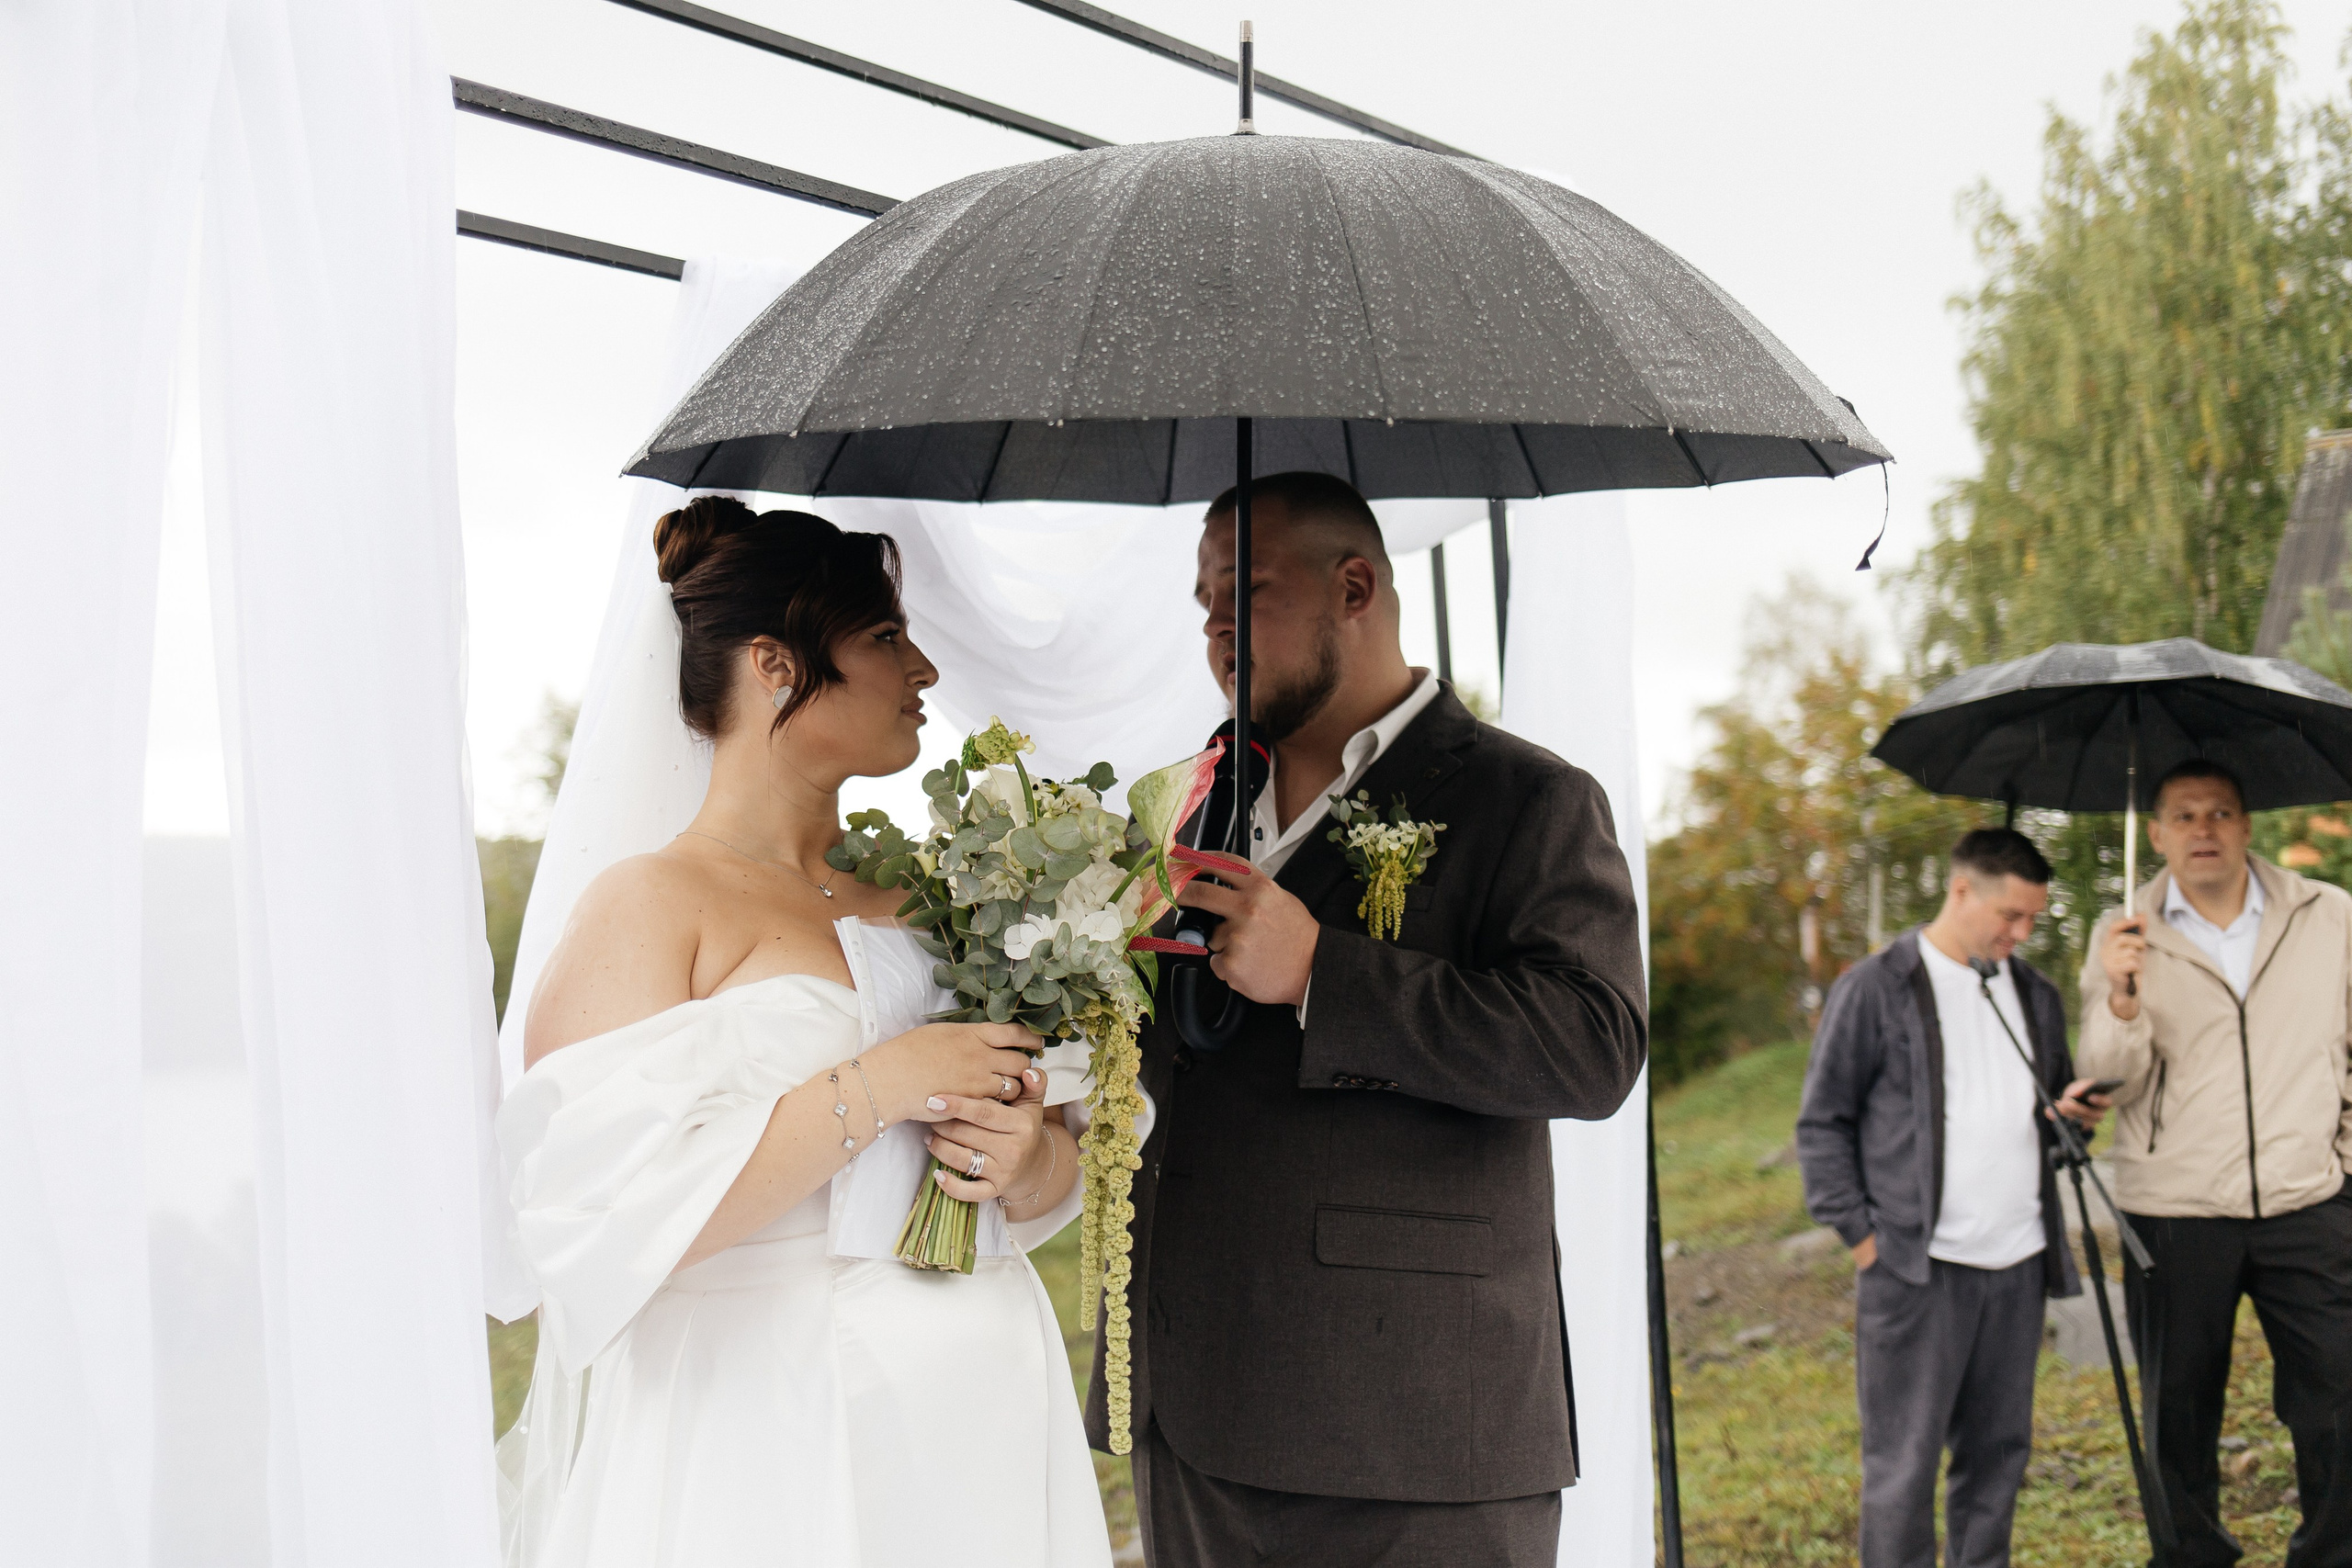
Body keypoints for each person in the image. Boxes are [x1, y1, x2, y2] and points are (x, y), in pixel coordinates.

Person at [494, 497, 1112, 1568]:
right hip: (765, 1424)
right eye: (884, 636)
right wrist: (879, 1084)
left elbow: (1059, 1164)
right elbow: (596, 1223)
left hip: (979, 1417)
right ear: (775, 663)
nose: (922, 670)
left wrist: (1029, 1162)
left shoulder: (948, 897)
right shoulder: (651, 905)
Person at [1091, 471, 1648, 1567]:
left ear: (1355, 586)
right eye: (1200, 600)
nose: (1212, 627)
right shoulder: (1183, 811)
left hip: (1415, 1430)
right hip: (1195, 1410)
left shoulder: (1524, 799)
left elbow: (1593, 1048)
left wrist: (1322, 977)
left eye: (1241, 591)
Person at [1796, 829, 2109, 1568]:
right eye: (2011, 914)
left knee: (1999, 1456)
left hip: (2018, 1261)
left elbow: (2050, 1120)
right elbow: (1822, 1122)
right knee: (1903, 1467)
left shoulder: (2033, 992)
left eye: (2033, 918)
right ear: (1961, 889)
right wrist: (1864, 1238)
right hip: (1915, 1269)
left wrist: (2072, 1120)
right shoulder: (1875, 986)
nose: (2021, 933)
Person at [2083, 759, 2352, 1568]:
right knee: (2179, 1415)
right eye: (2185, 815)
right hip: (2175, 1208)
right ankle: (2193, 1558)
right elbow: (2108, 1078)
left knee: (2339, 1398)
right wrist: (2121, 998)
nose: (2204, 829)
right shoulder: (2122, 932)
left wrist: (2344, 1156)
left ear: (2246, 825)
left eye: (2221, 812)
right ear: (2157, 833)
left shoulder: (2330, 914)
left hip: (2307, 1197)